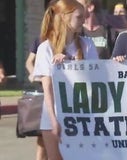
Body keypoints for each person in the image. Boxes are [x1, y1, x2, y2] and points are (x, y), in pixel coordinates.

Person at [33, 0, 99, 159]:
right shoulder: (46, 48)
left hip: (84, 118)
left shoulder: (87, 44)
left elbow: (97, 77)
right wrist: (53, 120)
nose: (84, 20)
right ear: (64, 17)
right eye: (79, 17)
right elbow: (47, 87)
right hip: (54, 117)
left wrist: (71, 62)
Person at [25, 37, 47, 160]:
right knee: (42, 134)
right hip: (43, 88)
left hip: (63, 89)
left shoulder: (70, 40)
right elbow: (29, 61)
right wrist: (33, 73)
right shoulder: (40, 40)